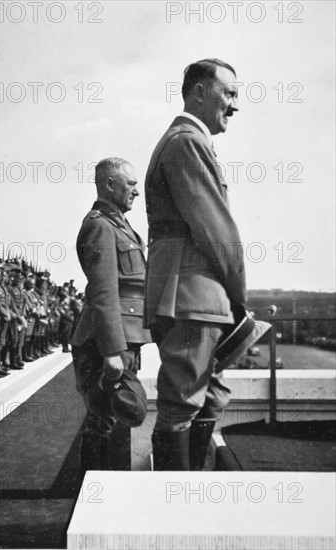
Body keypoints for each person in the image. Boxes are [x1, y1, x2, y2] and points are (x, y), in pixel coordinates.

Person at [144, 58, 246, 470]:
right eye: (230, 93)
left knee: (208, 396)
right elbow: (216, 228)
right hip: (192, 295)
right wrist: (239, 295)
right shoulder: (187, 141)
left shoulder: (186, 140)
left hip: (191, 294)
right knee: (184, 402)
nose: (235, 105)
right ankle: (175, 511)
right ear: (199, 92)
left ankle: (190, 501)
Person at [70, 157, 152, 470]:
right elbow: (104, 293)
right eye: (131, 184)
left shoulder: (118, 224)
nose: (136, 191)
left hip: (123, 336)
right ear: (109, 184)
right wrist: (113, 350)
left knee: (112, 418)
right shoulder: (99, 226)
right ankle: (92, 496)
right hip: (106, 341)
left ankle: (104, 491)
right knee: (101, 421)